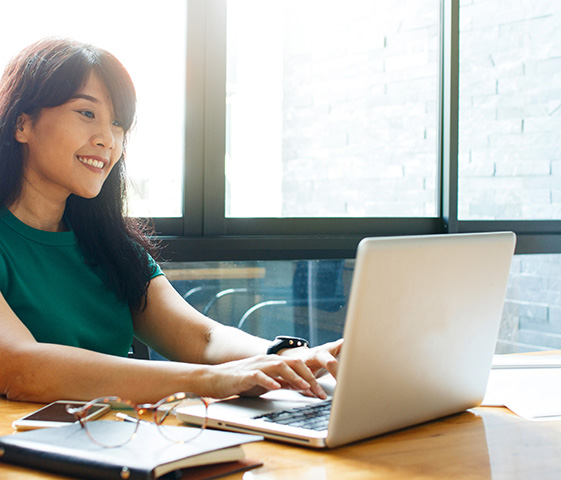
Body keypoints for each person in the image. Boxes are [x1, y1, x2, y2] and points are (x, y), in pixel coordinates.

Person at [0, 37, 342, 404]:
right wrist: (208, 380)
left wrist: (286, 356)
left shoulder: (110, 246)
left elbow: (202, 338)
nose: (107, 140)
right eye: (87, 113)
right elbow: (22, 369)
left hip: (117, 440)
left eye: (118, 124)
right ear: (23, 124)